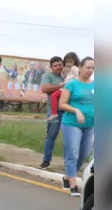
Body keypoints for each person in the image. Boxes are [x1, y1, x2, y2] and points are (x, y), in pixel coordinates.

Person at [58, 56, 94, 196]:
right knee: (72, 152)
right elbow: (62, 104)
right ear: (80, 68)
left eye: (93, 68)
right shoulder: (72, 84)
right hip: (72, 123)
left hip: (90, 124)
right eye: (88, 67)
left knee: (84, 154)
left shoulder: (95, 85)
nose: (90, 70)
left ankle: (67, 176)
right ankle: (73, 185)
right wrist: (76, 110)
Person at [38, 56, 66, 170]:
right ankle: (46, 161)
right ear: (51, 67)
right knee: (51, 136)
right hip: (54, 111)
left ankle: (69, 162)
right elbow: (44, 89)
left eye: (60, 64)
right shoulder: (48, 76)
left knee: (69, 137)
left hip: (68, 110)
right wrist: (60, 86)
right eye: (55, 65)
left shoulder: (66, 76)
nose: (58, 67)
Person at [46, 52, 80, 122]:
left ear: (75, 61)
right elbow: (63, 77)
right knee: (55, 96)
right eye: (67, 62)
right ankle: (55, 113)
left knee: (54, 95)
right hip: (66, 86)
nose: (68, 64)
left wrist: (71, 82)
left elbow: (78, 76)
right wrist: (64, 72)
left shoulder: (74, 68)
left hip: (69, 87)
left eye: (71, 62)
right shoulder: (68, 69)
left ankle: (54, 113)